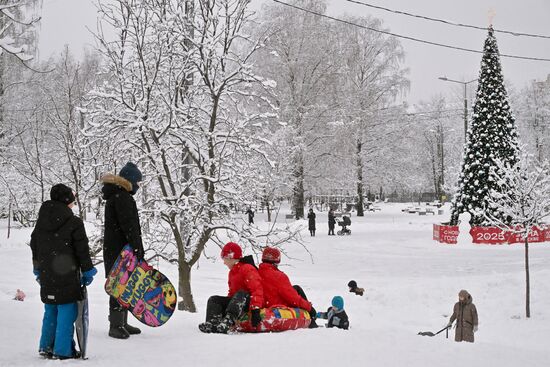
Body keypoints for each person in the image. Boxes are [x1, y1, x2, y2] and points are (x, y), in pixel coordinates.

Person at [30, 184, 97, 359]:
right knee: (67, 310)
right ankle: (62, 351)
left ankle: (46, 346)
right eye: (72, 202)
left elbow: (34, 245)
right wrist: (88, 270)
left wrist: (37, 268)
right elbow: (82, 249)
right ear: (67, 201)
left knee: (51, 308)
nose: (73, 205)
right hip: (67, 274)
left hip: (46, 274)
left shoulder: (41, 222)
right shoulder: (74, 222)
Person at [101, 162, 145, 339]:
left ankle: (121, 322)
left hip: (116, 249)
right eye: (138, 182)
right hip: (122, 251)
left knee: (123, 285)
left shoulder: (117, 196)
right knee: (119, 285)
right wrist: (136, 248)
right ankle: (116, 325)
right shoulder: (122, 198)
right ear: (131, 181)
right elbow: (130, 227)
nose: (139, 186)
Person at [199, 242, 264, 334]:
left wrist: (255, 310)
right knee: (214, 299)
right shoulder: (232, 272)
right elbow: (232, 293)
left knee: (241, 293)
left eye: (225, 259)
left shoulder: (247, 268)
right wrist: (226, 305)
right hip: (237, 302)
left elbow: (257, 289)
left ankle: (228, 322)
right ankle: (213, 323)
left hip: (248, 302)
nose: (224, 262)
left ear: (232, 258)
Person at [258, 247, 318, 328]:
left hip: (265, 304)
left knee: (296, 288)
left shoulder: (256, 273)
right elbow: (293, 298)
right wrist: (309, 308)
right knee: (297, 290)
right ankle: (312, 320)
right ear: (277, 260)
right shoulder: (279, 277)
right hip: (277, 306)